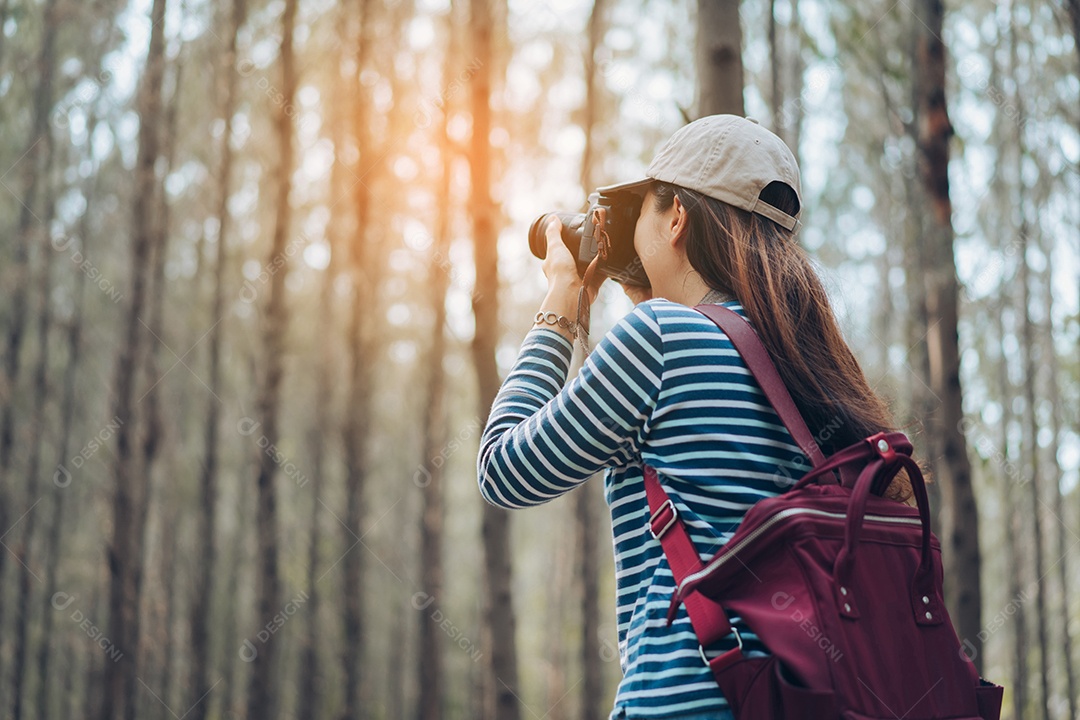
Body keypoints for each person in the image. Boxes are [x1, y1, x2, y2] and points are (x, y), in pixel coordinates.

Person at [476, 115, 909, 720]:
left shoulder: (658, 338)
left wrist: (561, 300)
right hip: (810, 697)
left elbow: (504, 470)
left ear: (676, 217)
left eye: (648, 208)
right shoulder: (809, 357)